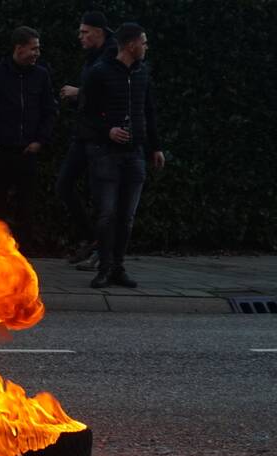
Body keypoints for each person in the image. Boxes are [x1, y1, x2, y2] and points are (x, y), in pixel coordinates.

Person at [77, 22, 165, 288]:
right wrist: (108, 131)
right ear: (131, 44)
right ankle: (104, 268)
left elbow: (148, 111)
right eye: (144, 42)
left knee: (126, 216)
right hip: (105, 154)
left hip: (135, 154)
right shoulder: (99, 73)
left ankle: (118, 268)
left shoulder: (142, 73)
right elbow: (84, 115)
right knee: (106, 214)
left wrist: (155, 147)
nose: (146, 47)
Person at [0, 26, 57, 252]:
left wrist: (40, 140)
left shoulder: (41, 75)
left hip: (28, 152)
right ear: (18, 48)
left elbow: (49, 110)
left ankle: (22, 255)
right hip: (0, 152)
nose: (37, 53)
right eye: (33, 48)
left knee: (26, 207)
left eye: (38, 49)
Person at [56, 11, 117, 271]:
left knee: (101, 196)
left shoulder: (112, 56)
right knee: (64, 185)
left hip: (102, 139)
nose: (80, 36)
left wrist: (79, 92)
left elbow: (112, 94)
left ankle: (104, 252)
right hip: (84, 135)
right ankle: (91, 238)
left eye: (84, 32)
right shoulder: (93, 58)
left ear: (99, 31)